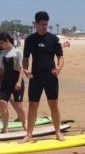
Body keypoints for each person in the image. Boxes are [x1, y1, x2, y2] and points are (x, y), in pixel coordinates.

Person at [20, 11, 65, 142]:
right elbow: (25, 57)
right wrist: (26, 69)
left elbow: (60, 57)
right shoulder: (30, 40)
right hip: (36, 77)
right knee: (33, 105)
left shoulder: (53, 39)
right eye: (42, 24)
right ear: (36, 24)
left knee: (54, 105)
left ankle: (58, 132)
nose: (44, 27)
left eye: (46, 24)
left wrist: (59, 67)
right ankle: (29, 134)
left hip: (51, 77)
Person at [0, 32, 26, 133]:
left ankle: (25, 124)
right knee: (2, 103)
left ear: (7, 41)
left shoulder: (17, 52)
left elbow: (21, 68)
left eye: (1, 43)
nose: (0, 46)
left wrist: (19, 82)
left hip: (16, 82)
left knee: (19, 105)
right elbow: (1, 69)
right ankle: (5, 127)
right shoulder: (3, 53)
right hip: (6, 82)